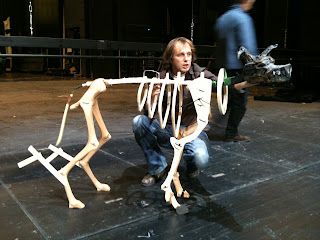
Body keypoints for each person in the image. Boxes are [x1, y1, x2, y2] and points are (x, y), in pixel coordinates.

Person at [132, 37, 216, 187]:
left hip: (192, 131)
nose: (186, 59)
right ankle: (157, 167)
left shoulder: (200, 74)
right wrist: (152, 98)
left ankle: (191, 163)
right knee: (139, 122)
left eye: (188, 54)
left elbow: (226, 85)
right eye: (180, 55)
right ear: (171, 58)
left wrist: (247, 80)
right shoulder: (161, 77)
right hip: (169, 129)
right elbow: (148, 113)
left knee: (201, 159)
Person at [214, 0, 258, 142]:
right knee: (239, 103)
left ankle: (217, 126)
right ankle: (231, 134)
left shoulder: (222, 19)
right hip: (238, 68)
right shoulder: (243, 19)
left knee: (227, 100)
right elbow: (248, 47)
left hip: (223, 68)